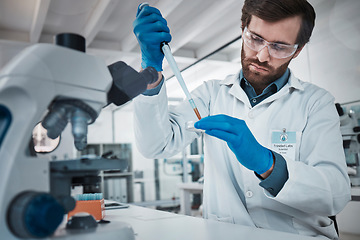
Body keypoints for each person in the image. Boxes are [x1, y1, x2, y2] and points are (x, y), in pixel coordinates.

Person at [132, 0, 351, 239]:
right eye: (255, 39)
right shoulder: (210, 94)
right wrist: (150, 70)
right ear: (243, 29)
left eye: (279, 47)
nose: (262, 56)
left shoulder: (316, 102)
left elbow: (336, 195)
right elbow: (157, 145)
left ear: (297, 50)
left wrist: (268, 165)